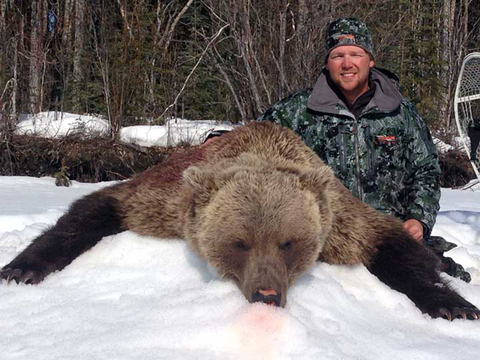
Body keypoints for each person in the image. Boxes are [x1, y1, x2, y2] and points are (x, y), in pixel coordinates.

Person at [257, 17, 471, 282]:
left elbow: (425, 170)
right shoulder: (298, 111)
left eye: (356, 54)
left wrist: (418, 219)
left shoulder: (399, 112)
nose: (347, 64)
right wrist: (218, 137)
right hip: (328, 243)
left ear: (370, 60)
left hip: (390, 238)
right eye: (338, 56)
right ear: (327, 62)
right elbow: (255, 138)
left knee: (447, 285)